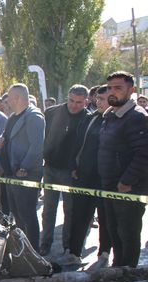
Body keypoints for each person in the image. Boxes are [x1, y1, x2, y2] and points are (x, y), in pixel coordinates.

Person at [98, 71, 148, 268]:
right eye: (109, 87)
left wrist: (127, 181)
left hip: (128, 189)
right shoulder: (111, 115)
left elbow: (144, 154)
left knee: (127, 233)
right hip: (110, 185)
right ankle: (118, 270)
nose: (112, 92)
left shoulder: (136, 117)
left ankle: (128, 274)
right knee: (114, 231)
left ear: (131, 90)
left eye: (118, 88)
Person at [63, 85, 113, 266]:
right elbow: (77, 145)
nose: (98, 102)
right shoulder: (90, 118)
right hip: (83, 177)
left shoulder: (116, 120)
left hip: (105, 179)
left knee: (105, 218)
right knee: (79, 216)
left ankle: (104, 254)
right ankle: (74, 253)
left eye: (103, 99)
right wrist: (74, 166)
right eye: (97, 99)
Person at [40, 84, 88, 256]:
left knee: (70, 210)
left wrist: (78, 167)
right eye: (71, 100)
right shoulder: (52, 112)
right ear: (67, 97)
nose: (74, 105)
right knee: (48, 209)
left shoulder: (87, 119)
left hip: (71, 173)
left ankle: (68, 246)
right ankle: (45, 243)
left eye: (79, 102)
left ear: (86, 102)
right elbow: (42, 136)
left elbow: (86, 147)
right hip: (50, 168)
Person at [0, 83, 44, 251]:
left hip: (25, 174)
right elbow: (7, 134)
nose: (6, 100)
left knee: (27, 215)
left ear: (16, 97)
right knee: (17, 215)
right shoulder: (13, 116)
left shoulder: (33, 116)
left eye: (8, 96)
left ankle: (34, 252)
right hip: (11, 173)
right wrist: (0, 140)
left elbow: (37, 146)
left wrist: (25, 167)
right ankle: (24, 251)